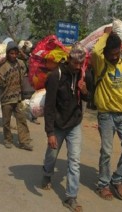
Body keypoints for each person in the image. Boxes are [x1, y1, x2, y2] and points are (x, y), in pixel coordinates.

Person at [91, 29, 122, 201]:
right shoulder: (100, 63)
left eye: (117, 53)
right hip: (106, 116)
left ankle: (117, 179)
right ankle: (103, 184)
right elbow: (96, 50)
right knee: (107, 151)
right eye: (111, 54)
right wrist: (106, 34)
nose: (114, 57)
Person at [41, 43, 88, 212]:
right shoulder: (56, 75)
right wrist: (50, 133)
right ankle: (47, 174)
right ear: (68, 59)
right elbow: (49, 105)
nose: (77, 66)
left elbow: (88, 99)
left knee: (74, 161)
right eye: (75, 63)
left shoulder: (82, 74)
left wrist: (84, 91)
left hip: (74, 123)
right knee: (52, 155)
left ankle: (71, 197)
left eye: (80, 64)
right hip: (58, 124)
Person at [0, 41, 33, 151]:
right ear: (7, 53)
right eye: (11, 53)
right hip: (6, 98)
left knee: (21, 120)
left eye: (16, 53)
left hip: (18, 98)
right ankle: (8, 139)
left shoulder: (20, 63)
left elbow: (30, 64)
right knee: (6, 121)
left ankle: (24, 141)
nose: (14, 55)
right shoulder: (3, 66)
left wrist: (23, 54)